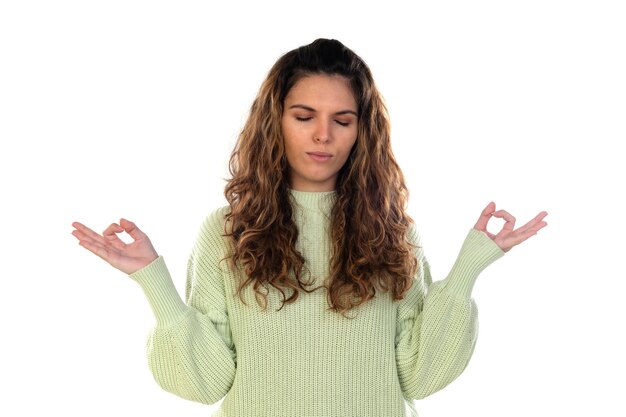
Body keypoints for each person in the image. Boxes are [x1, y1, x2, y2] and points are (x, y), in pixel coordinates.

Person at [71, 38, 548, 417]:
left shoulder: (392, 232)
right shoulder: (225, 231)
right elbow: (205, 383)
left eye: (342, 120)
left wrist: (467, 269)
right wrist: (153, 280)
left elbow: (419, 377)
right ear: (274, 122)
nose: (323, 135)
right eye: (304, 117)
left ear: (362, 131)